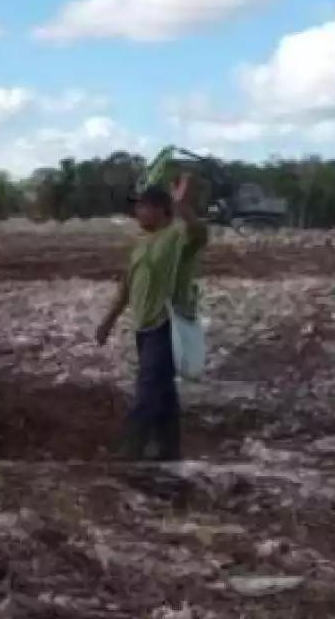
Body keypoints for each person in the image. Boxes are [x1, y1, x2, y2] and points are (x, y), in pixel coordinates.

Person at [96, 173, 208, 461]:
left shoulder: (175, 237)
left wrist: (184, 207)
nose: (137, 211)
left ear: (160, 209)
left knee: (147, 387)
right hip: (143, 327)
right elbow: (127, 285)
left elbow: (199, 235)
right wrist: (108, 321)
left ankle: (131, 449)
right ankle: (169, 450)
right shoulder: (142, 243)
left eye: (143, 206)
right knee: (164, 391)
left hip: (166, 325)